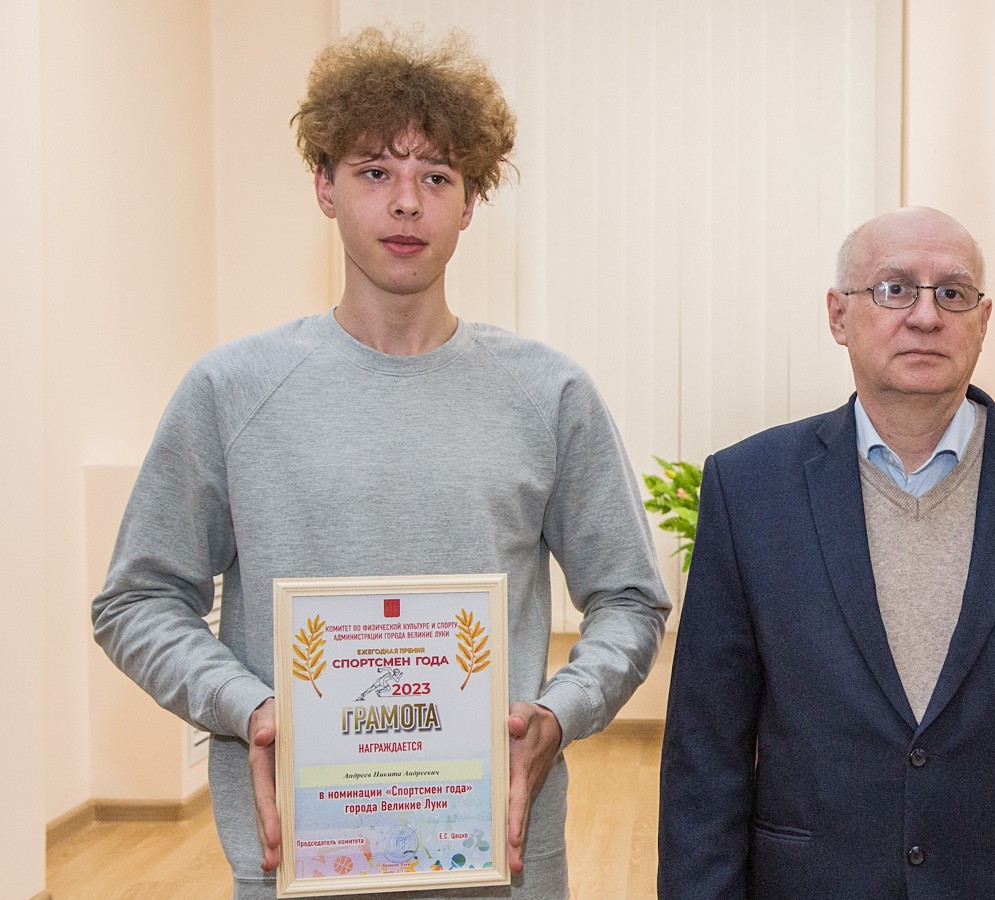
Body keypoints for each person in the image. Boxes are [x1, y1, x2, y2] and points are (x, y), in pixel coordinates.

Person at [92, 27, 669, 900]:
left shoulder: (549, 394)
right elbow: (135, 600)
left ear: (471, 201)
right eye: (374, 171)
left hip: (501, 865)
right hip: (297, 864)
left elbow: (629, 598)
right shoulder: (229, 390)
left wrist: (558, 715)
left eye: (436, 176)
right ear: (323, 186)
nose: (406, 203)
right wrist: (252, 709)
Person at [658, 207, 995, 899]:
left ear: (983, 322)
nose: (926, 316)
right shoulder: (749, 489)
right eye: (894, 288)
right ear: (838, 315)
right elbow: (705, 756)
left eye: (952, 293)